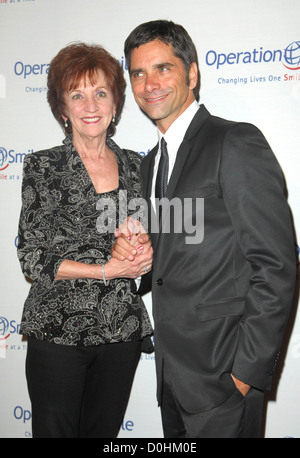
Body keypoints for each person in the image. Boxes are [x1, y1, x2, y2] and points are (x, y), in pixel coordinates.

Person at [112, 20, 297, 438]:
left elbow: (276, 265)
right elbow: (170, 260)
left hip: (223, 376)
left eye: (162, 68)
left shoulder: (233, 142)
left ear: (192, 73)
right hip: (172, 380)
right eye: (138, 73)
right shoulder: (149, 163)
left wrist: (244, 373)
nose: (149, 83)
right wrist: (137, 259)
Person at [17, 42, 154, 438]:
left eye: (100, 93)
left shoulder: (137, 165)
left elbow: (145, 240)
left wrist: (144, 254)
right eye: (77, 95)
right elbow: (32, 257)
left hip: (120, 330)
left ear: (115, 105)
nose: (90, 105)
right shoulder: (43, 166)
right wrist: (107, 269)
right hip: (57, 329)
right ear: (63, 109)